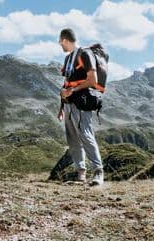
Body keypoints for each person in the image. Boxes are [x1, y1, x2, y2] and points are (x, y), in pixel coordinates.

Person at [56, 28, 103, 186]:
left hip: (82, 103)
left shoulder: (85, 54)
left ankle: (98, 172)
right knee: (73, 139)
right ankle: (80, 174)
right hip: (69, 104)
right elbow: (67, 83)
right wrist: (61, 107)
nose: (60, 44)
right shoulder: (68, 58)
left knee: (86, 135)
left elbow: (93, 80)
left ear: (65, 40)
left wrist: (73, 90)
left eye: (60, 42)